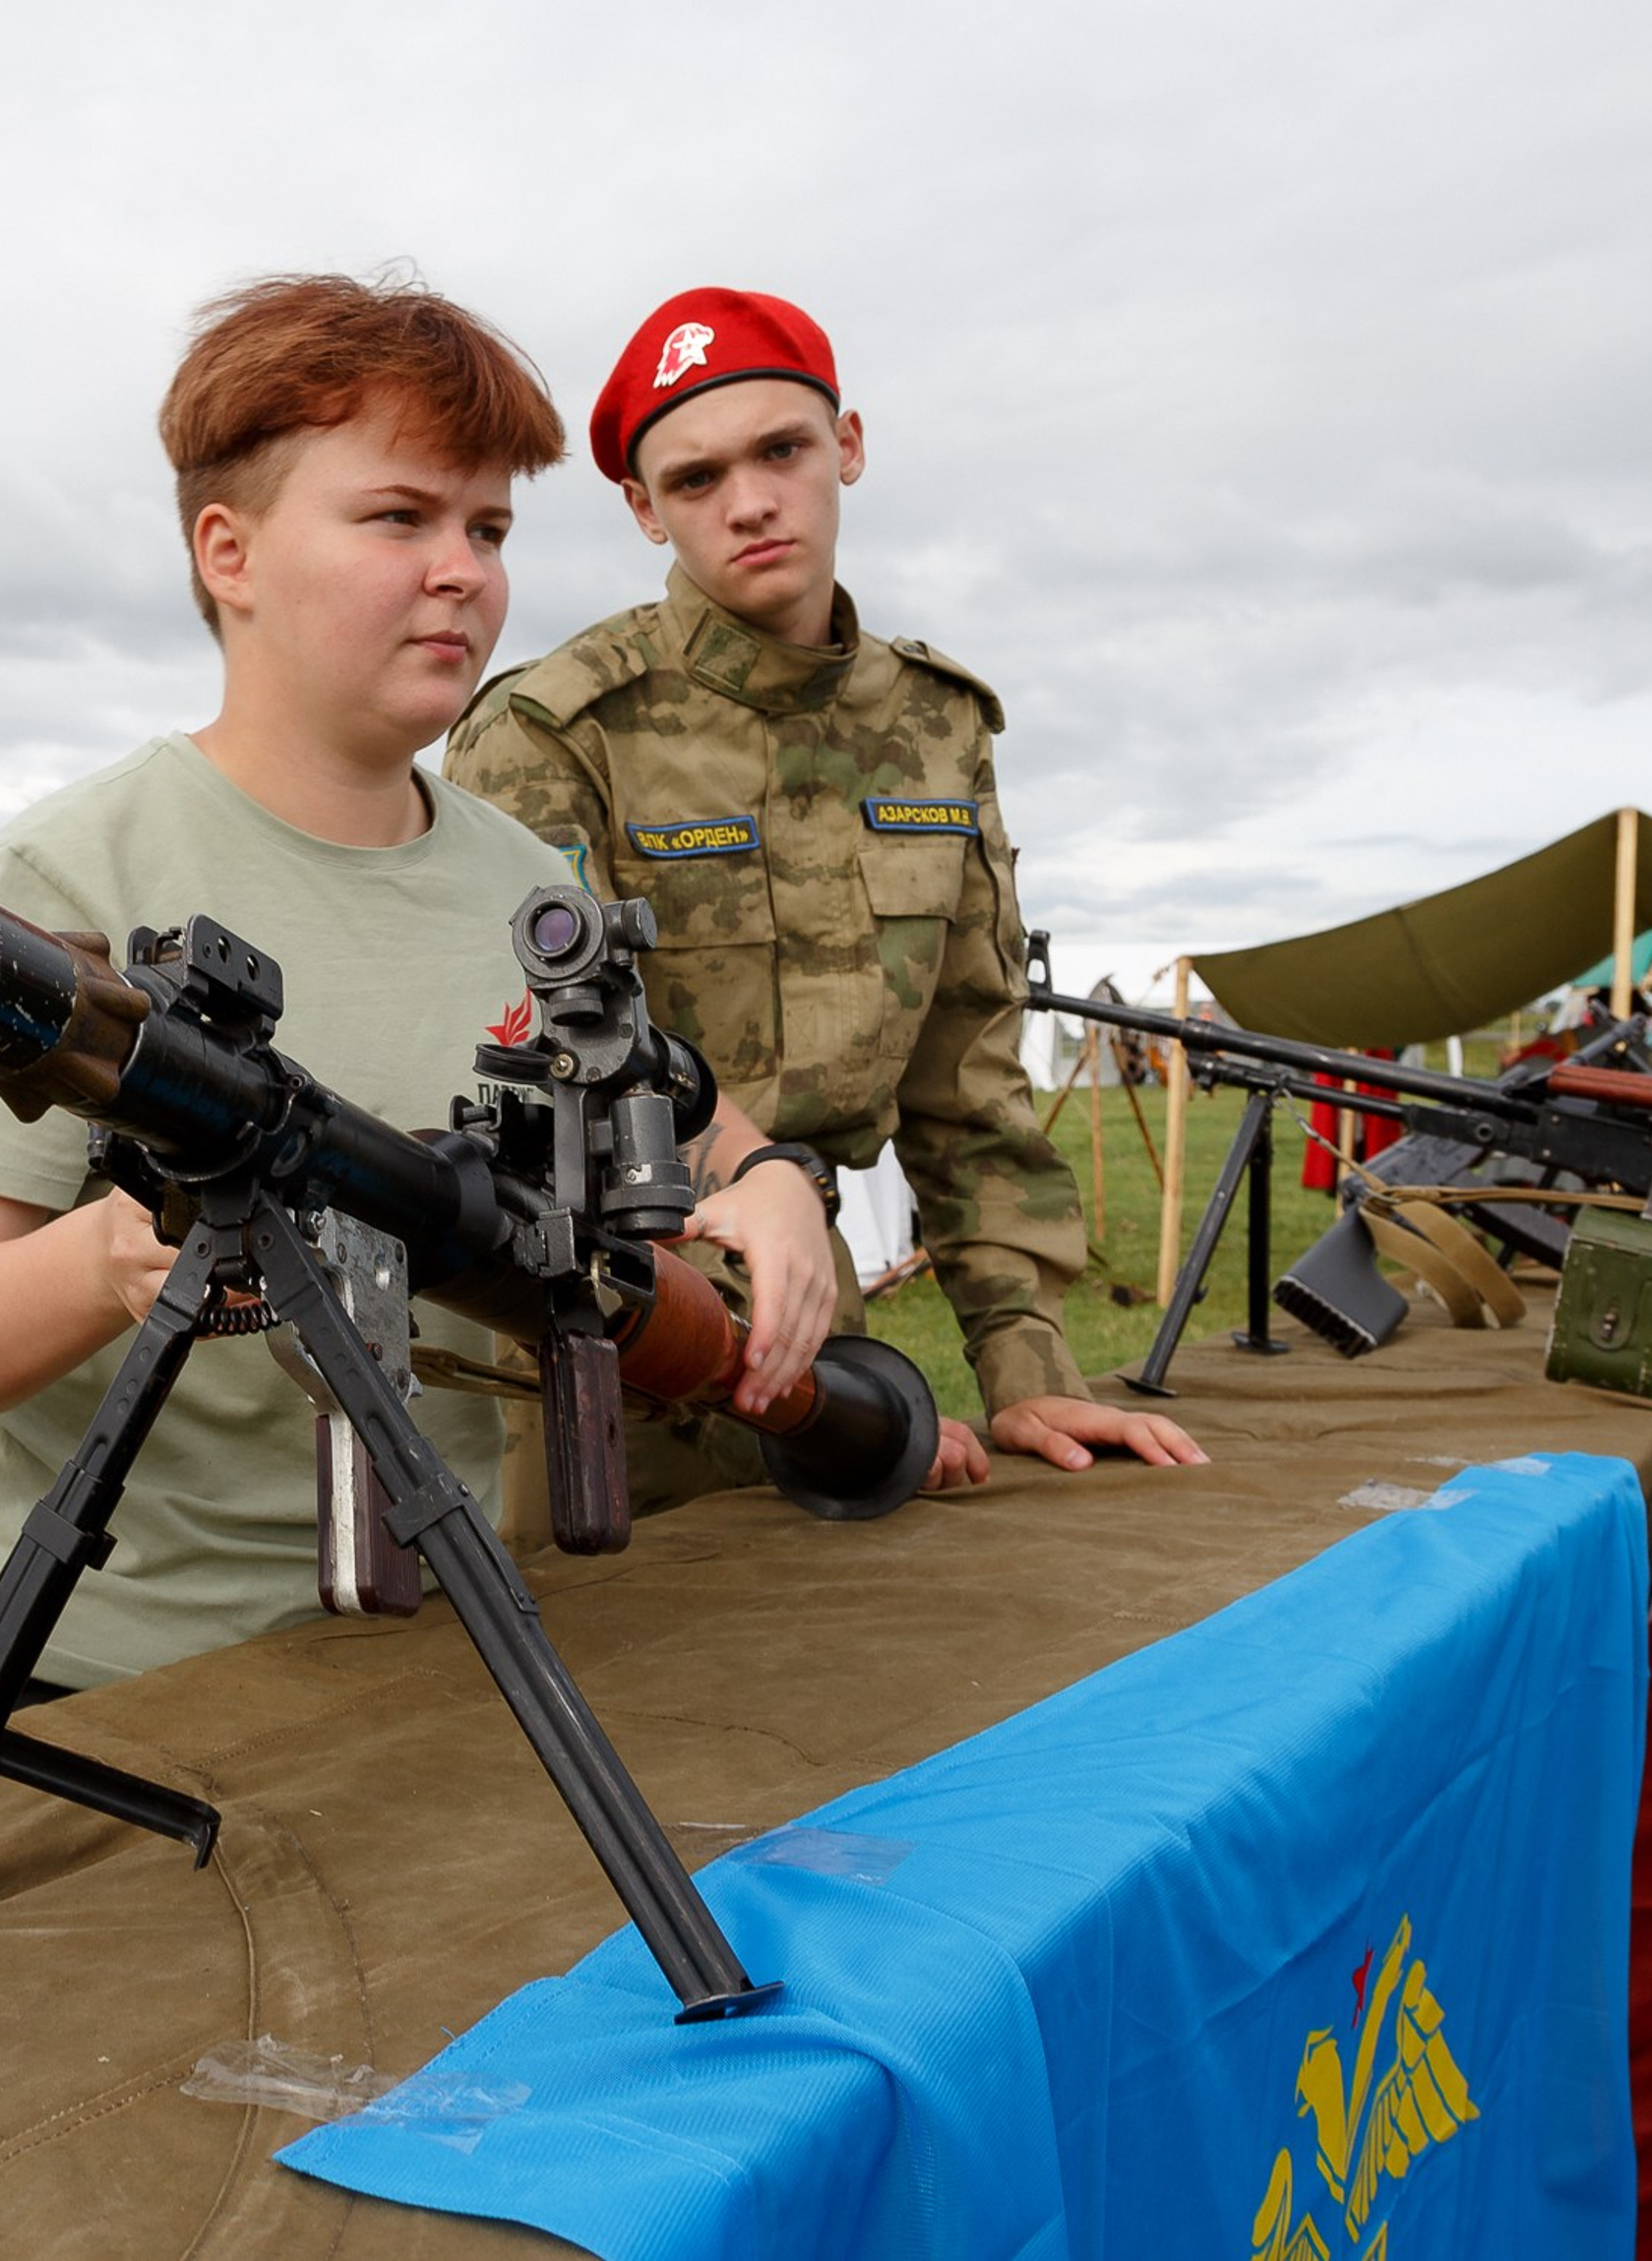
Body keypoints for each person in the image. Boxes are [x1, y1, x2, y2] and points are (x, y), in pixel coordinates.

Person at [0, 272, 837, 1750]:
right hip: (76, 1674)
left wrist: (768, 1183)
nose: (463, 573)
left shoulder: (529, 886)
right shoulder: (60, 882)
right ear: (229, 551)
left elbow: (663, 1099)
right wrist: (118, 1254)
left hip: (432, 1648)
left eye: (487, 529)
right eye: (398, 517)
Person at [446, 286, 1203, 1488]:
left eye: (782, 451)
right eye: (695, 478)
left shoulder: (937, 725)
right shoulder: (555, 732)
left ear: (846, 445)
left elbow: (969, 1075)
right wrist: (812, 1378)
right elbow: (553, 1067)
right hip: (617, 1334)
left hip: (827, 1325)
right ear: (642, 509)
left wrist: (1029, 1369)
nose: (749, 502)